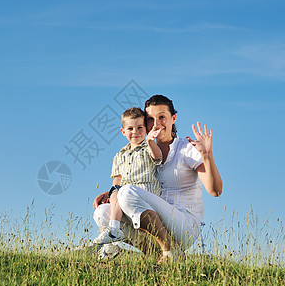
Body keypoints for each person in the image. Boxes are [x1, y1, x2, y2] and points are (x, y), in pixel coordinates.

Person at [93, 95, 223, 262]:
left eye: (162, 117)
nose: (156, 123)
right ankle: (161, 256)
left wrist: (207, 155)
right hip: (155, 222)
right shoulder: (143, 151)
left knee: (126, 193)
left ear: (173, 118)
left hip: (183, 225)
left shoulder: (186, 148)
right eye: (150, 119)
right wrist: (112, 193)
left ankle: (171, 250)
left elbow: (215, 190)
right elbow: (138, 183)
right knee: (103, 213)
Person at [92, 107, 163, 245]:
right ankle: (112, 237)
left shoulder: (149, 147)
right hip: (123, 197)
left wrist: (150, 141)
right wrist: (112, 197)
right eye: (130, 128)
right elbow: (117, 181)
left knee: (123, 191)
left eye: (139, 127)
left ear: (146, 130)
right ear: (123, 131)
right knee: (112, 196)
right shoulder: (119, 155)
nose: (135, 132)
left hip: (144, 196)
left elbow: (157, 157)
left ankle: (114, 230)